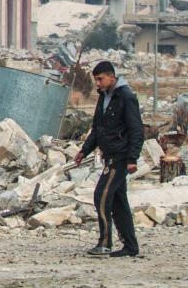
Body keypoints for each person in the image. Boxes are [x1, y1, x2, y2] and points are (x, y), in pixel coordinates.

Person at [74, 60, 144, 258]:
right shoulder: (104, 98)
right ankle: (130, 246)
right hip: (109, 156)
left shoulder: (126, 97)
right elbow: (98, 129)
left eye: (100, 79)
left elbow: (136, 130)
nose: (97, 83)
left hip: (120, 158)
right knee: (119, 202)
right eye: (95, 80)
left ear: (112, 77)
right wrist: (84, 151)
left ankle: (105, 243)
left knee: (102, 196)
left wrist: (132, 158)